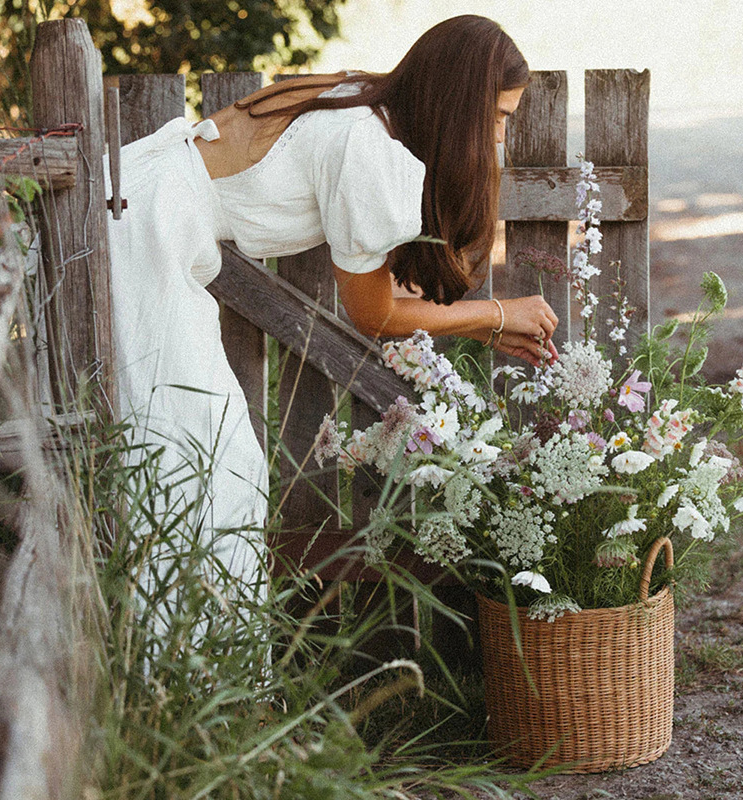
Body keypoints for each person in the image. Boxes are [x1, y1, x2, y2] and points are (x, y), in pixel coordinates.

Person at [105, 14, 559, 596]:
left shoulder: (357, 100)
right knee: (206, 469)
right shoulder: (365, 146)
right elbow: (373, 315)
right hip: (143, 233)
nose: (498, 137)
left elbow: (388, 293)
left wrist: (482, 327)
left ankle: (172, 663)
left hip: (137, 197)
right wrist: (494, 317)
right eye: (497, 117)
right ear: (460, 104)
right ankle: (183, 673)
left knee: (188, 462)